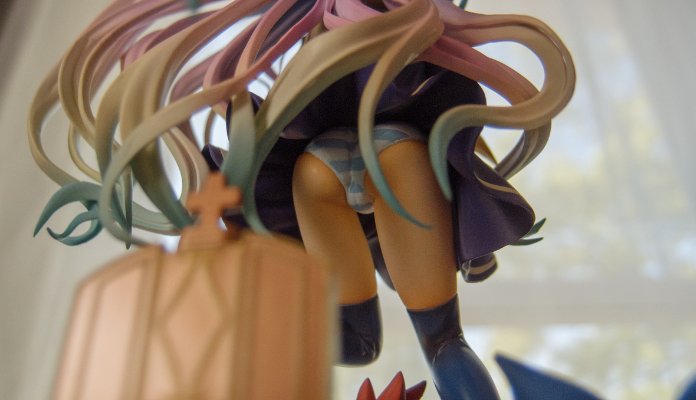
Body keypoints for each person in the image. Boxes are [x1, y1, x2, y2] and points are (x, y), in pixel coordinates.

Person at [31, 0, 575, 397]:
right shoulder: (391, 38)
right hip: (397, 150)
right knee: (444, 343)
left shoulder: (314, 44)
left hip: (316, 166)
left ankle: (228, 346)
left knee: (355, 341)